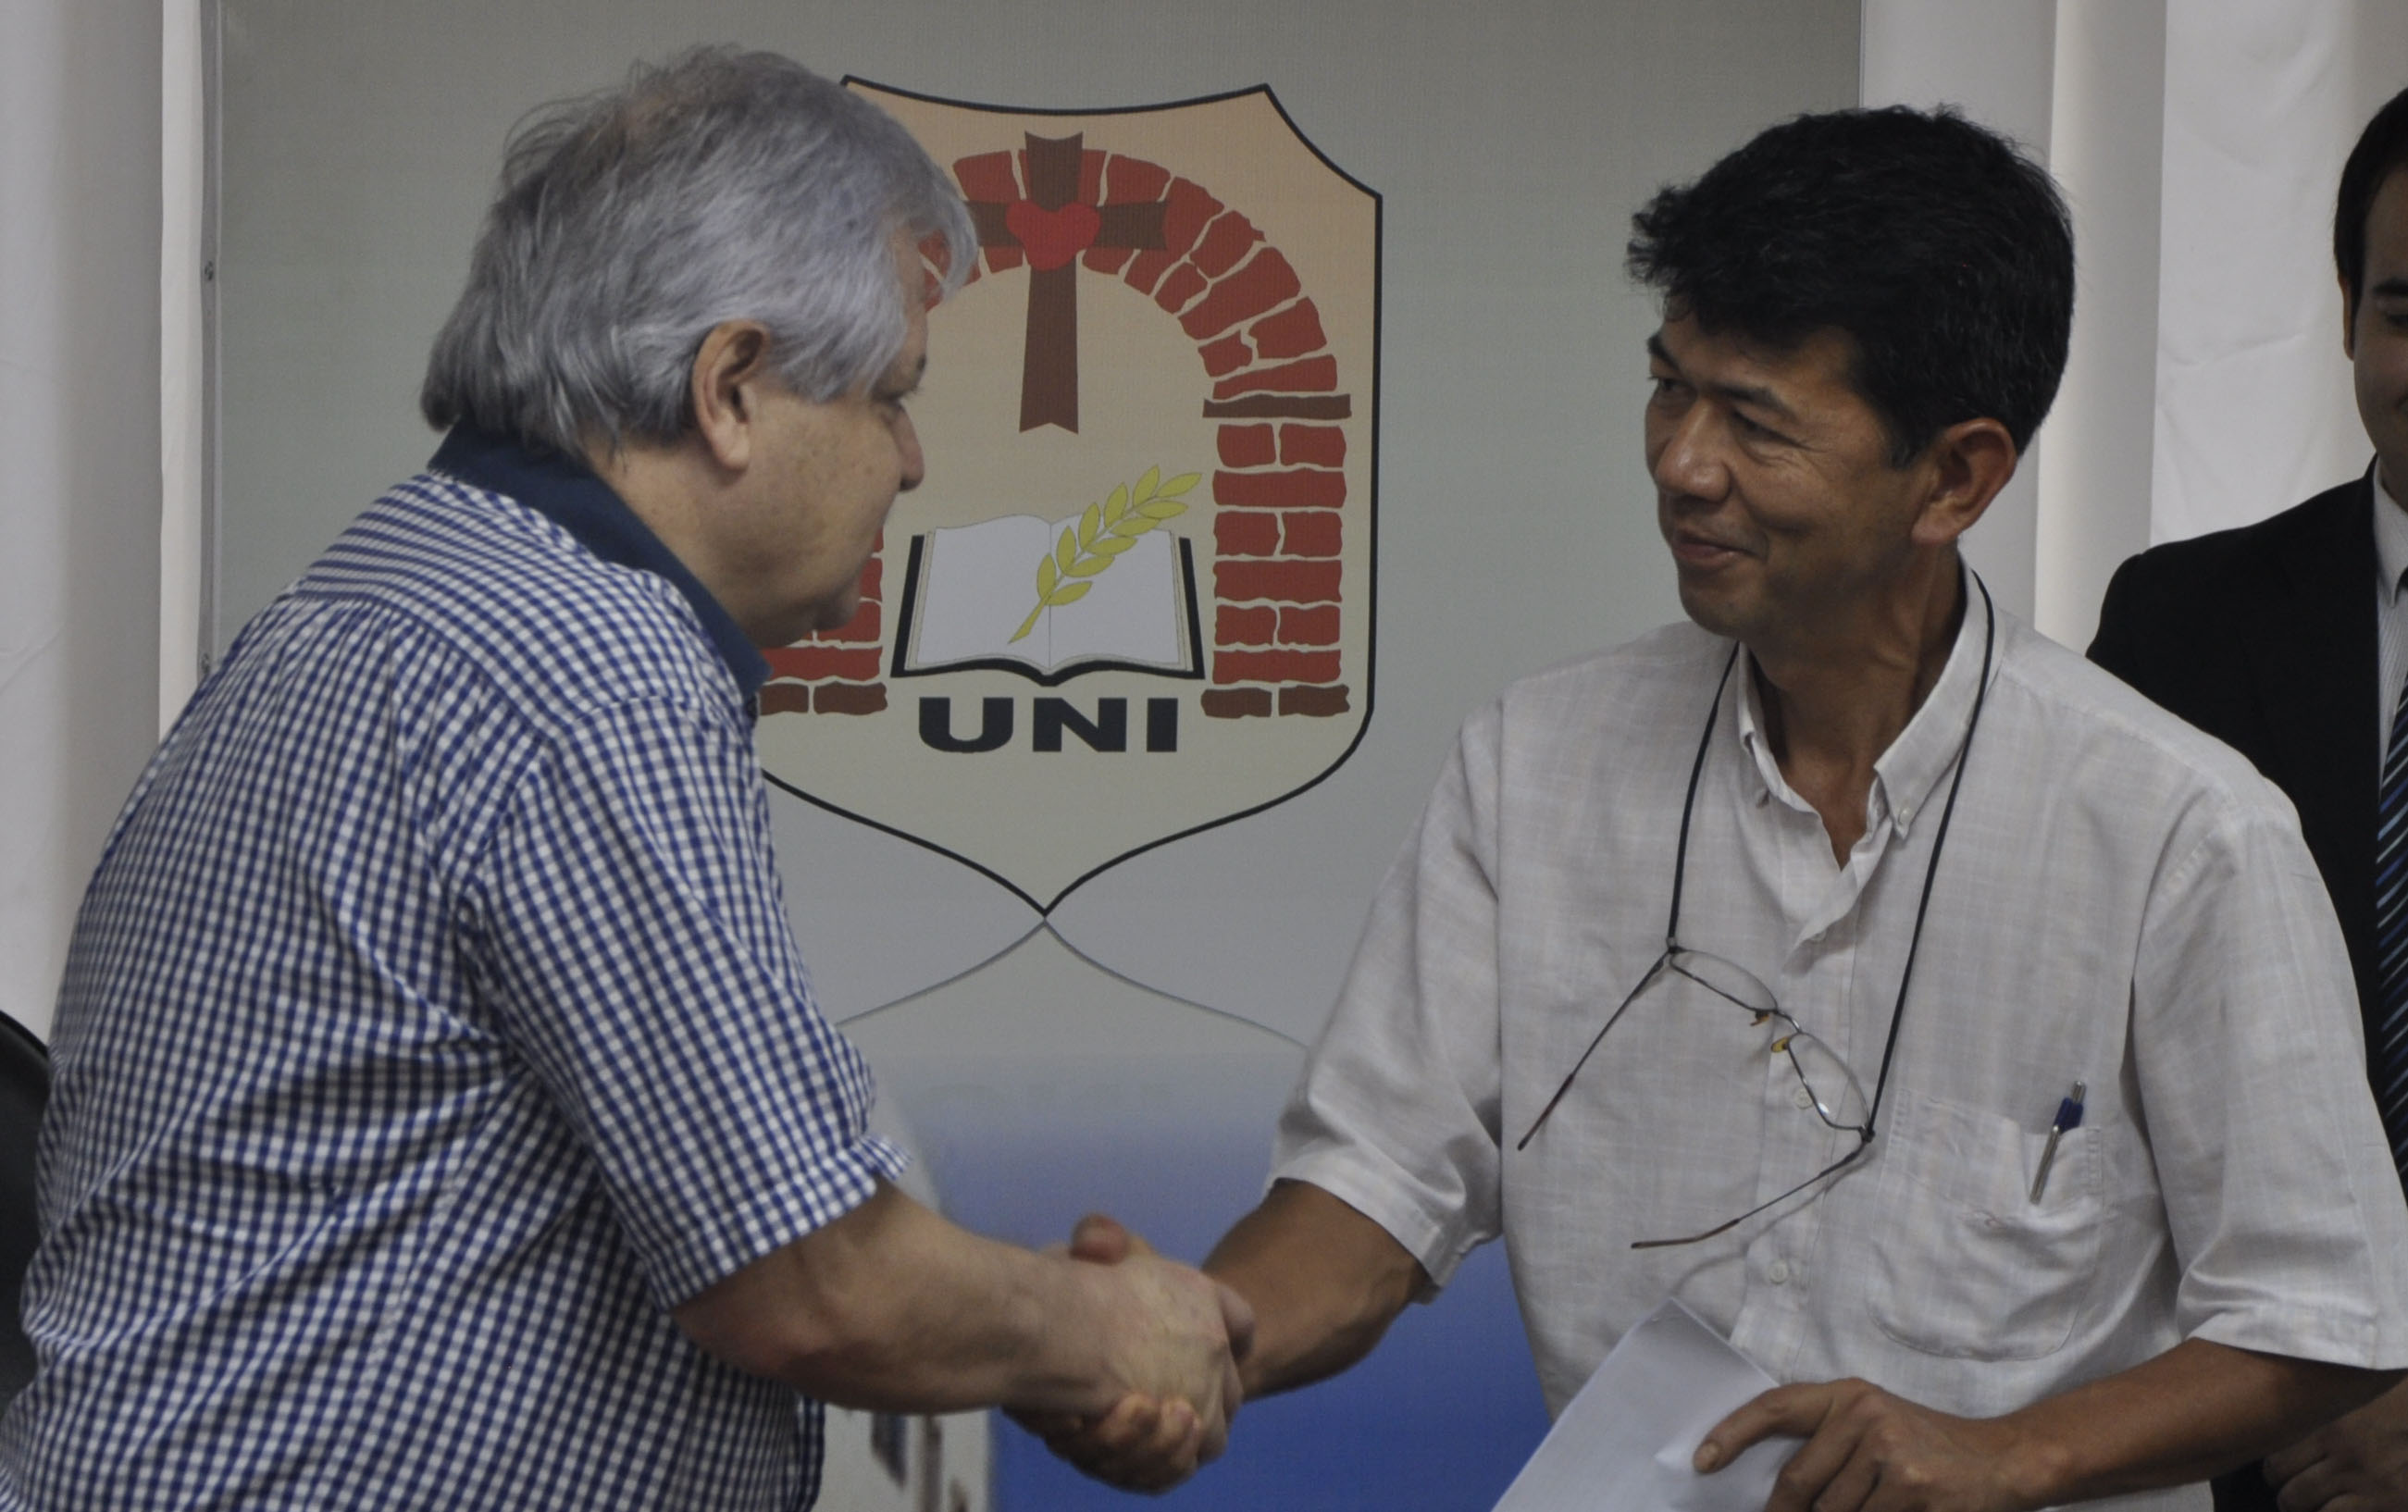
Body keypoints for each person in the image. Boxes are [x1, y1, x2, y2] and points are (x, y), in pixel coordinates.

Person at [1038, 107, 2408, 1512]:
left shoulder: (2181, 832)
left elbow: (2322, 1314)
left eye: (1755, 422)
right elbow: (1375, 1187)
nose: (1682, 464)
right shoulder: (1534, 767)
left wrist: (2010, 1454)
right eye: (1668, 388)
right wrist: (1199, 1339)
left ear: (1956, 476)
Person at [0, 50, 1247, 1510]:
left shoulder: (374, 598)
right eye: (890, 397)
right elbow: (807, 1279)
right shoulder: (590, 663)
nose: (910, 462)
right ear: (730, 387)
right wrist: (1105, 1330)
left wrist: (1026, 1324)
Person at [2089, 84, 2408, 1512]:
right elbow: (2076, 1051)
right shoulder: (2177, 623)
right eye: (2404, 308)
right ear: (2344, 314)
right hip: (2236, 1440)